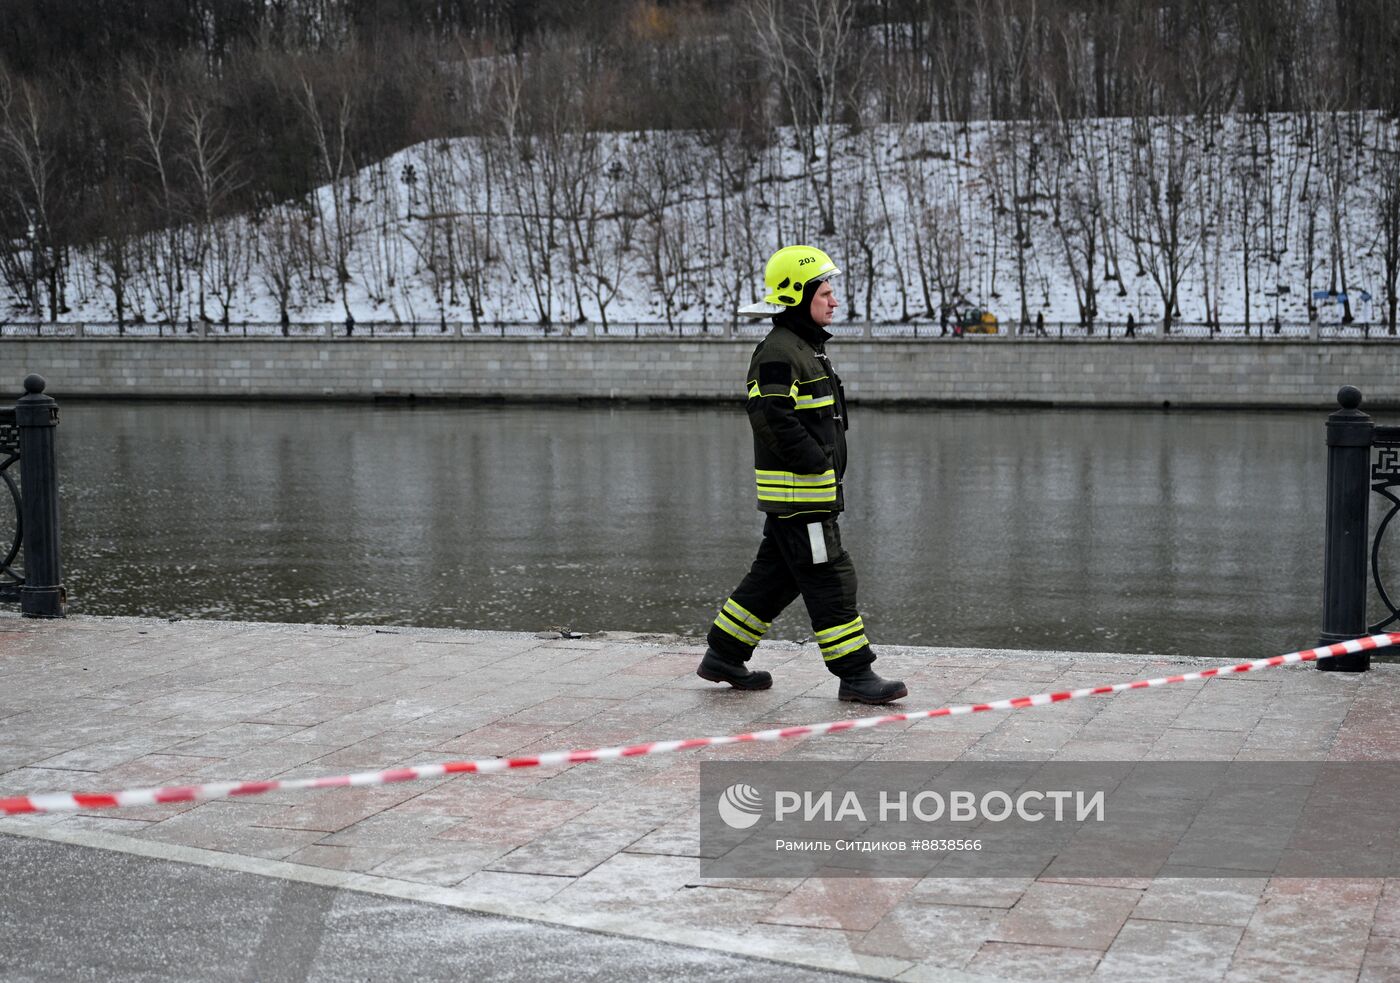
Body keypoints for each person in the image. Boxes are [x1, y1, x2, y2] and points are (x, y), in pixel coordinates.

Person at [696, 245, 907, 705]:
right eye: (826, 293)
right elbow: (770, 416)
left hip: (806, 495)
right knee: (830, 576)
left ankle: (724, 654)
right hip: (802, 496)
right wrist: (816, 463)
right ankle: (856, 674)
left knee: (777, 576)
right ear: (798, 295)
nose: (834, 302)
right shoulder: (779, 352)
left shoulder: (802, 348)